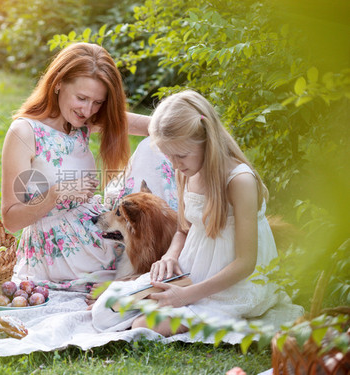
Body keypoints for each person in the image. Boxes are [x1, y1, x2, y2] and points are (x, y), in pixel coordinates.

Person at [92, 90, 301, 335]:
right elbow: (183, 228)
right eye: (168, 156)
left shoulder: (239, 181)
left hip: (232, 282)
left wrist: (186, 296)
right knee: (105, 310)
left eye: (180, 155)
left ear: (206, 141)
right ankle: (177, 300)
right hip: (194, 268)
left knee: (143, 325)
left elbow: (245, 263)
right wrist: (170, 257)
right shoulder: (186, 172)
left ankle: (197, 308)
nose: (175, 164)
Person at [1, 42, 159, 292]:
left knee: (158, 146)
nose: (87, 110)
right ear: (58, 83)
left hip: (99, 229)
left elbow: (148, 125)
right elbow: (10, 219)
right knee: (146, 276)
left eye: (98, 102)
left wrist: (182, 122)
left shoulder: (80, 122)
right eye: (82, 98)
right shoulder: (25, 132)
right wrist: (55, 194)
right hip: (61, 253)